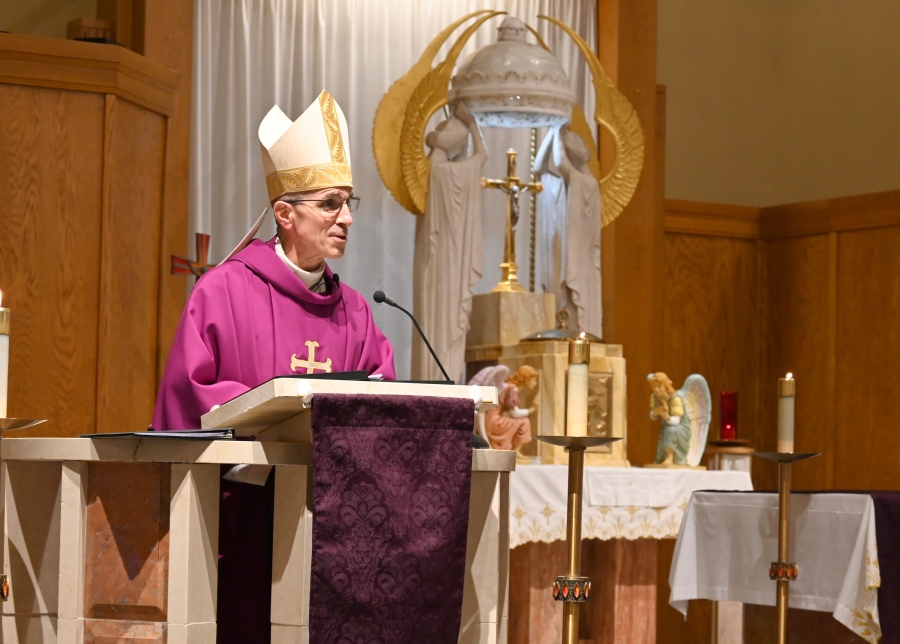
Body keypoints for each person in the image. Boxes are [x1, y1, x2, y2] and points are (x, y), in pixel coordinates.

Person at [154, 90, 395, 643]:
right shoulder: (223, 291)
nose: (347, 218)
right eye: (331, 203)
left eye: (349, 201)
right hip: (242, 516)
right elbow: (187, 392)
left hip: (330, 519)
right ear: (285, 213)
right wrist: (273, 405)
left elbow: (382, 394)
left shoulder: (356, 310)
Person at [412, 102, 487, 382]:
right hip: (449, 267)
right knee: (446, 329)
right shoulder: (449, 173)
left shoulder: (437, 171)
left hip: (435, 264)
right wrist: (471, 123)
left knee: (437, 329)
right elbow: (483, 156)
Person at [484, 365, 539, 450]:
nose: (535, 383)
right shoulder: (513, 389)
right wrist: (532, 409)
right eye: (534, 379)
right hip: (495, 422)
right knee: (525, 422)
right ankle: (516, 451)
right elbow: (515, 413)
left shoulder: (510, 387)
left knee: (521, 421)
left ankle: (516, 451)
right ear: (527, 379)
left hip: (491, 420)